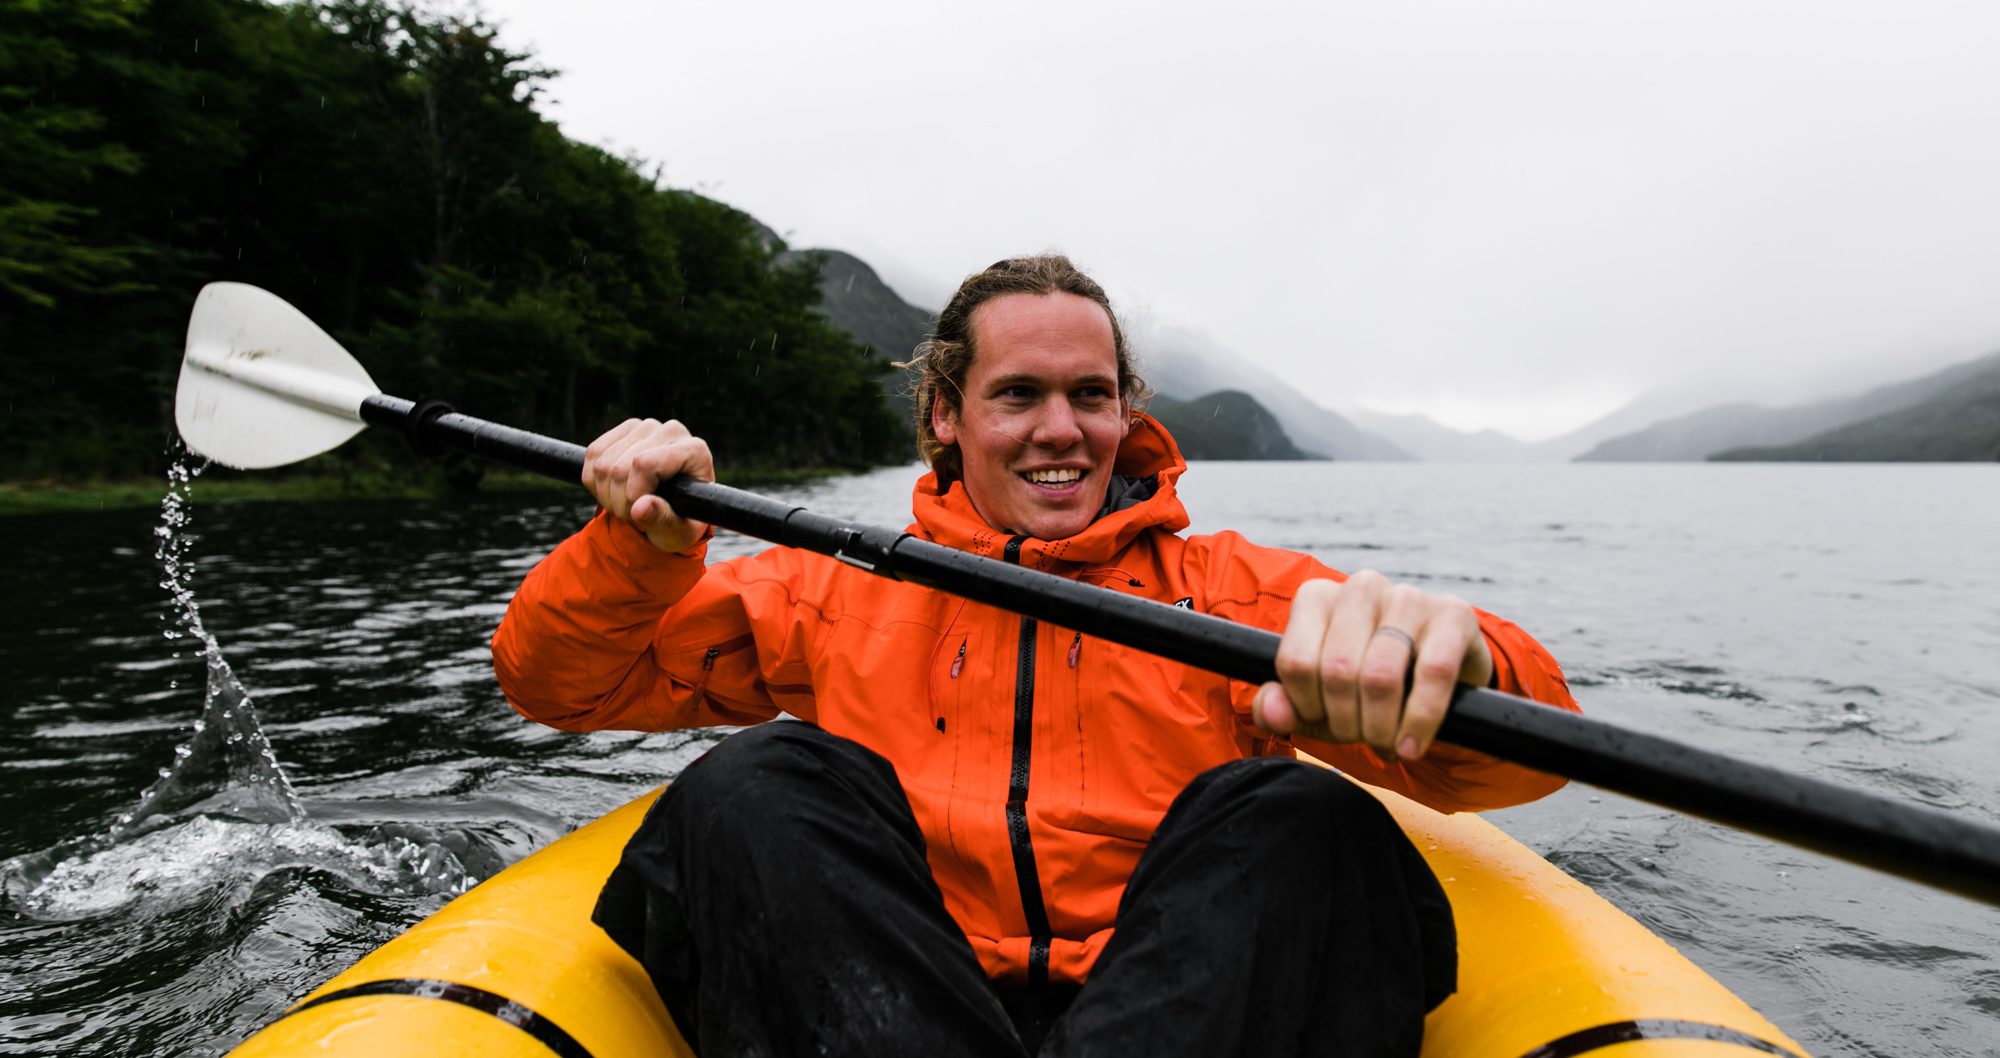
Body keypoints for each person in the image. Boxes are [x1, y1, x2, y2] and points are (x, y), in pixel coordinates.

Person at [493, 254, 1579, 1058]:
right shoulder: (829, 588)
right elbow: (560, 682)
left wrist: (1460, 664)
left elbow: (1527, 758)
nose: (1059, 428)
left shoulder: (1239, 594)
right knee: (756, 781)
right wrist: (631, 548)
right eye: (1017, 394)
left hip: (1173, 1020)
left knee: (1302, 815)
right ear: (944, 417)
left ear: (1123, 415)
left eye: (1090, 394)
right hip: (899, 1012)